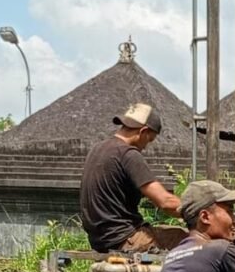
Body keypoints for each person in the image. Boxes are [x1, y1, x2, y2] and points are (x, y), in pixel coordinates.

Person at [79, 102, 187, 254]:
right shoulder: (128, 154)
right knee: (189, 240)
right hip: (124, 238)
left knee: (169, 230)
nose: (146, 146)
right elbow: (166, 202)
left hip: (100, 239)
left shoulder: (97, 149)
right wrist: (197, 211)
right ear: (143, 132)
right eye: (149, 140)